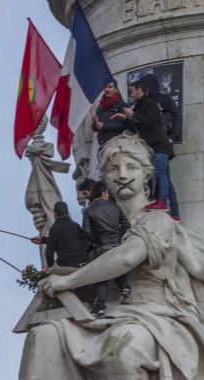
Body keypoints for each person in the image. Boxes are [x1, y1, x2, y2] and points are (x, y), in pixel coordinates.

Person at [29, 132, 204, 380]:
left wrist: (68, 281)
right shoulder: (97, 224)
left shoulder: (157, 221)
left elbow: (127, 256)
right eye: (113, 169)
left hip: (158, 316)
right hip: (105, 316)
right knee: (45, 336)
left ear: (147, 172)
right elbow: (85, 265)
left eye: (131, 167)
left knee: (126, 347)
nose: (121, 175)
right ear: (104, 177)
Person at [114, 79, 179, 219]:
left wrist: (132, 115)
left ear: (141, 90)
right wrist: (124, 119)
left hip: (160, 145)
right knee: (167, 178)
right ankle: (175, 214)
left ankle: (162, 201)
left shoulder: (151, 104)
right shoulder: (138, 107)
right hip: (153, 146)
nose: (131, 93)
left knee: (160, 172)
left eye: (133, 90)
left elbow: (149, 122)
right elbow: (136, 128)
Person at [82, 181, 131, 317]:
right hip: (116, 246)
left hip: (101, 247)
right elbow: (127, 225)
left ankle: (100, 308)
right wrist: (118, 236)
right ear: (104, 193)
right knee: (117, 269)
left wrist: (97, 240)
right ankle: (125, 288)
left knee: (102, 278)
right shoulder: (115, 207)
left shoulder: (89, 210)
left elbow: (86, 231)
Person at [30, 202, 90, 269]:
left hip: (67, 265)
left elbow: (49, 252)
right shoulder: (76, 225)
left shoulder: (55, 228)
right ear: (67, 212)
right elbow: (67, 239)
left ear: (55, 213)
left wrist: (50, 267)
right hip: (84, 261)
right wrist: (43, 240)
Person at [92, 80, 127, 147]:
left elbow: (125, 126)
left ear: (116, 89)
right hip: (103, 146)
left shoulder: (121, 105)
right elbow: (94, 129)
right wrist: (95, 124)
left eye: (110, 87)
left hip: (117, 145)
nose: (107, 89)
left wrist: (104, 126)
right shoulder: (100, 107)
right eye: (105, 87)